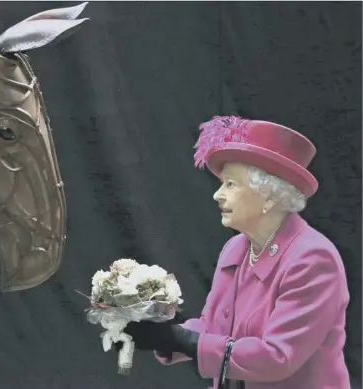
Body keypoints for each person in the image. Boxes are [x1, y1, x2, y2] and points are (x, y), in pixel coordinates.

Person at [122, 117, 350, 389]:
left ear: (269, 196)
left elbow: (277, 357)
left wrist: (184, 340)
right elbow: (213, 328)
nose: (218, 195)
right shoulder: (236, 248)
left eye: (230, 184)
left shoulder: (312, 259)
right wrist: (163, 333)